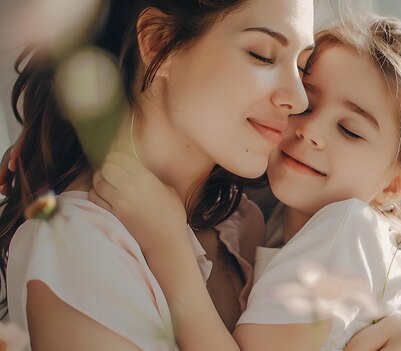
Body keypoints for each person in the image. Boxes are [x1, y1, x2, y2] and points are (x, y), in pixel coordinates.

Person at [93, 16, 401, 350]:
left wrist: (167, 243)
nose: (310, 131)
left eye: (349, 130)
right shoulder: (268, 225)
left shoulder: (348, 228)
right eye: (306, 104)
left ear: (394, 185)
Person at [0, 0, 315, 349]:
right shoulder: (75, 246)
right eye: (263, 55)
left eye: (302, 67)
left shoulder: (241, 223)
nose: (298, 99)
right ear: (159, 43)